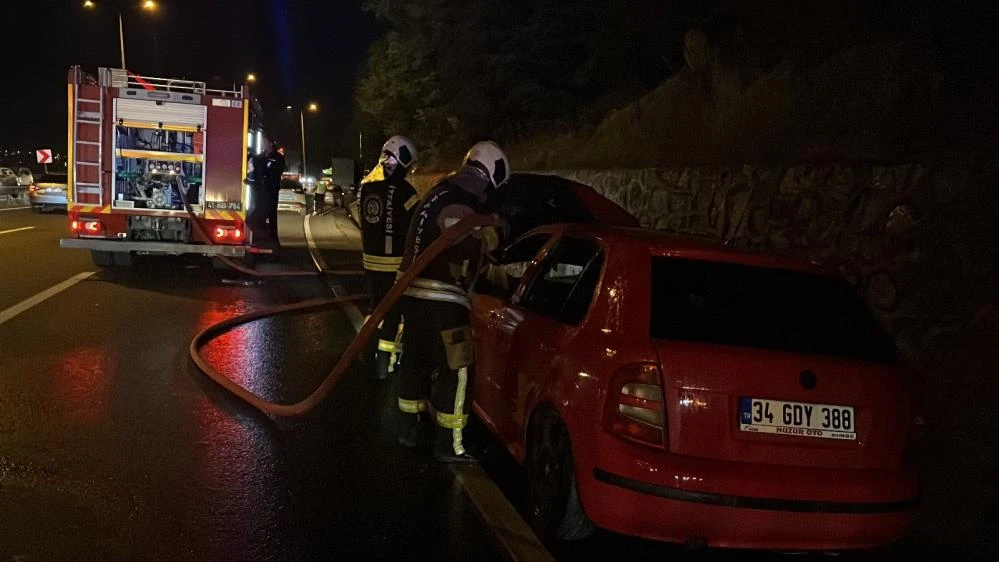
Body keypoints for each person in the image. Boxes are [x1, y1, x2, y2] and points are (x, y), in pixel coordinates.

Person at [396, 141, 510, 463]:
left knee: (415, 361)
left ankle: (409, 430)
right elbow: (466, 252)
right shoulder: (466, 202)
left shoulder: (439, 192)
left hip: (411, 295)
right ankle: (452, 443)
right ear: (493, 172)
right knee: (457, 368)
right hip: (444, 299)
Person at [359, 135, 420, 380]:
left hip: (370, 264)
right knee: (394, 314)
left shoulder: (367, 188)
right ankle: (385, 363)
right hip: (395, 267)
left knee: (374, 309)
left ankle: (364, 349)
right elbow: (417, 227)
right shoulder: (407, 192)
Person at [248, 138, 285, 248]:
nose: (263, 144)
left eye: (265, 142)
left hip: (271, 192)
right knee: (257, 217)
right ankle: (262, 240)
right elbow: (257, 172)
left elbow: (276, 172)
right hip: (260, 193)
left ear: (270, 143)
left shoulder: (278, 157)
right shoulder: (261, 156)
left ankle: (273, 242)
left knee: (271, 217)